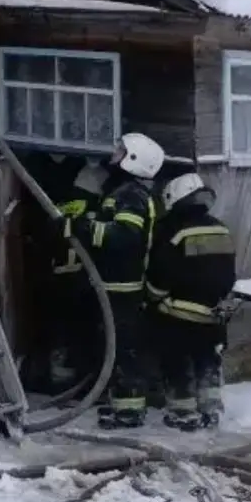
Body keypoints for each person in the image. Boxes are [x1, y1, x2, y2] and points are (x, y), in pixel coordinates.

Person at [146, 171, 237, 431]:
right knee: (207, 358)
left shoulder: (171, 229)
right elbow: (229, 273)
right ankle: (210, 409)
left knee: (177, 360)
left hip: (179, 314)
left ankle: (183, 412)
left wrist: (151, 298)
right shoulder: (220, 227)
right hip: (214, 313)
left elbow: (160, 273)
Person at [83, 132, 163, 427]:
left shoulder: (131, 195)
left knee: (124, 349)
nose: (113, 155)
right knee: (112, 347)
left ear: (134, 159)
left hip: (124, 288)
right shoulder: (121, 191)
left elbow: (126, 238)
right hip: (111, 285)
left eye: (120, 151)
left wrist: (84, 229)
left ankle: (129, 410)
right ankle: (120, 404)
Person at [46, 155, 111, 389]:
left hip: (59, 277)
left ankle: (60, 384)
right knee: (87, 333)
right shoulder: (97, 212)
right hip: (85, 281)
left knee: (63, 333)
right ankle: (85, 385)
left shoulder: (63, 208)